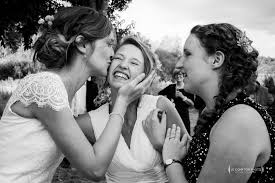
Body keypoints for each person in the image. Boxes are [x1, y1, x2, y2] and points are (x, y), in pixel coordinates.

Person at [0, 7, 155, 183]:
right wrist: (122, 102)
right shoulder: (47, 87)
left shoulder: (62, 92)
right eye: (109, 44)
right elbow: (95, 169)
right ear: (82, 44)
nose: (113, 54)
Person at [143, 23, 275, 183]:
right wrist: (162, 145)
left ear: (216, 60)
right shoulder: (211, 112)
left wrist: (170, 160)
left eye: (188, 54)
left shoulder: (239, 121)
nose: (178, 64)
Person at [76, 37, 190, 183]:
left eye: (134, 62)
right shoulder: (89, 122)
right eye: (118, 58)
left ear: (146, 75)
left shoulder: (160, 107)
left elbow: (191, 159)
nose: (123, 65)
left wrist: (161, 146)